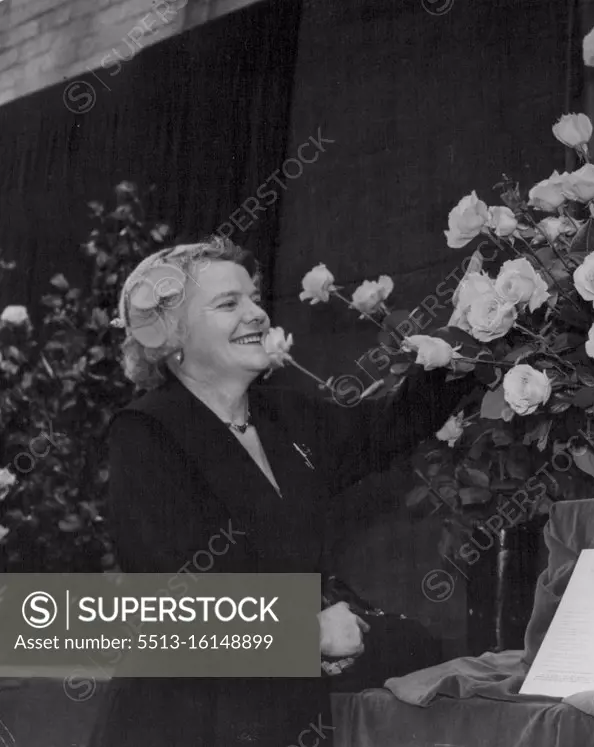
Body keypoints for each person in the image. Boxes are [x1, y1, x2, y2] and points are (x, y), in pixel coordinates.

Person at [88, 238, 470, 747]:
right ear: (170, 335)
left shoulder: (285, 414)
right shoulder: (146, 432)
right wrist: (307, 634)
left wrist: (463, 339)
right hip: (186, 721)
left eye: (253, 298)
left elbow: (389, 430)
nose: (257, 315)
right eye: (229, 304)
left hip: (282, 712)